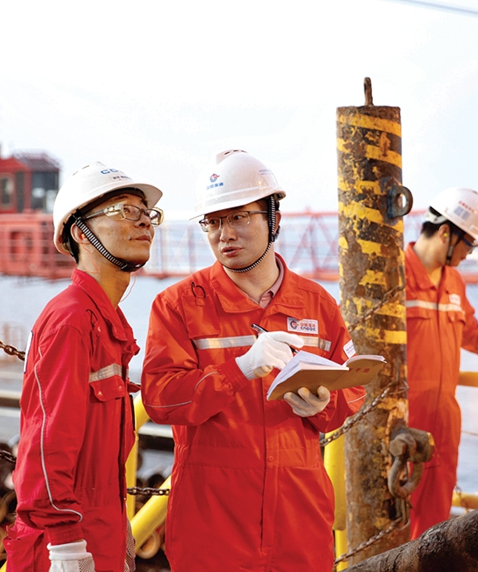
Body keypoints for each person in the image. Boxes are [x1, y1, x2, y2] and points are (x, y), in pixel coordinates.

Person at [141, 149, 366, 571]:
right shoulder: (179, 306)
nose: (224, 234)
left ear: (273, 218)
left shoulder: (317, 304)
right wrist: (239, 370)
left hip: (299, 519)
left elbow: (352, 390)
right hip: (213, 523)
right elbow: (160, 399)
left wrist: (323, 405)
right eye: (213, 222)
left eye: (239, 217)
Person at [4, 163, 164, 572]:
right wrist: (64, 545)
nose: (144, 222)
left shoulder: (106, 321)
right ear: (80, 232)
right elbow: (45, 444)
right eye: (126, 211)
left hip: (99, 533)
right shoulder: (72, 319)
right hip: (63, 545)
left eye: (147, 213)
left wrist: (118, 528)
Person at [404, 187, 478, 538]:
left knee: (435, 525)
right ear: (445, 232)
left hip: (444, 422)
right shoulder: (392, 276)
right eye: (469, 244)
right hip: (402, 423)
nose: (470, 253)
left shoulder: (454, 281)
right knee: (395, 522)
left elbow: (475, 336)